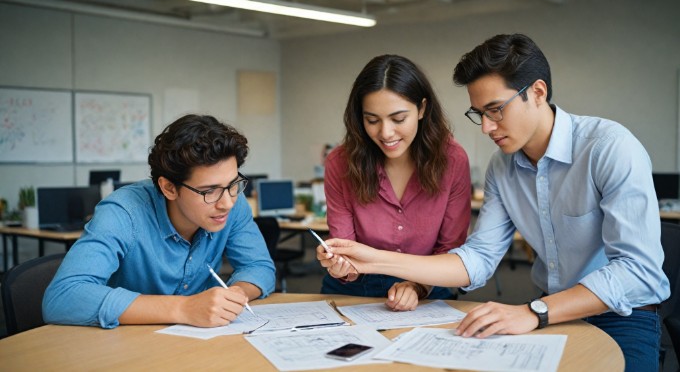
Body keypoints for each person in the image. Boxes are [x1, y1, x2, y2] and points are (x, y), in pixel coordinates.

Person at [318, 34, 669, 372]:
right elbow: (478, 258)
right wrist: (375, 259)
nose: (486, 127)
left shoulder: (609, 148)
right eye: (478, 113)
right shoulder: (503, 168)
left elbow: (639, 272)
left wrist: (535, 311)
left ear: (537, 92)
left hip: (623, 315)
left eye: (496, 110)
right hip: (545, 307)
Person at [43, 114, 276, 328]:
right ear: (169, 188)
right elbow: (63, 297)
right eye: (209, 191)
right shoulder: (122, 212)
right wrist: (184, 309)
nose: (227, 202)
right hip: (123, 346)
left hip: (198, 341)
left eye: (233, 184)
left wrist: (233, 296)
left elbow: (259, 267)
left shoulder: (232, 200)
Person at [321, 54, 471, 311]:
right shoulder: (340, 162)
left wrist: (417, 285)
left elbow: (451, 250)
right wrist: (340, 265)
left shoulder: (452, 160)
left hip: (430, 288)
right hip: (355, 292)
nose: (386, 133)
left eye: (398, 119)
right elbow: (346, 252)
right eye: (372, 120)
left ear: (422, 109)